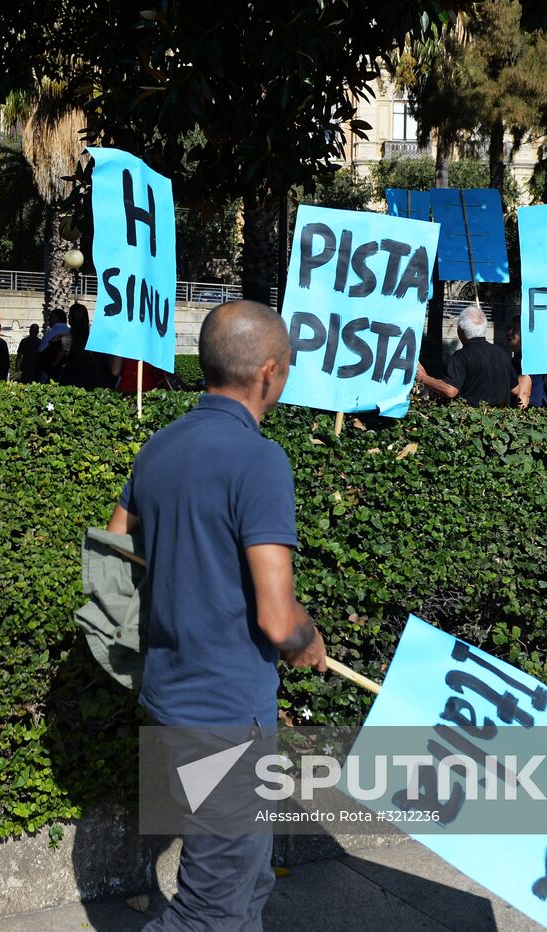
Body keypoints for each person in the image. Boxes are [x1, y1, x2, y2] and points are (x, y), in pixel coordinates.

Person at [106, 300, 329, 930]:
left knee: (246, 880)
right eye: (285, 368)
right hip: (224, 718)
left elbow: (116, 548)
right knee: (210, 911)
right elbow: (278, 620)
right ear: (268, 372)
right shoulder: (260, 461)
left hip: (168, 703)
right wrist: (305, 637)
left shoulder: (160, 447)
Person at [415, 304, 519, 407]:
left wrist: (424, 378)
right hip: (501, 420)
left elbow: (450, 390)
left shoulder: (462, 356)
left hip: (472, 420)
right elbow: (515, 389)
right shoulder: (502, 354)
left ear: (460, 330)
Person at [59, 303, 106, 388]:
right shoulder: (93, 339)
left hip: (71, 379)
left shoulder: (67, 338)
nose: (68, 317)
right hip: (90, 380)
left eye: (70, 315)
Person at [37, 309, 72, 382]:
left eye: (51, 317)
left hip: (50, 374)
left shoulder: (51, 333)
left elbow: (41, 353)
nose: (48, 319)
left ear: (57, 318)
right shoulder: (71, 332)